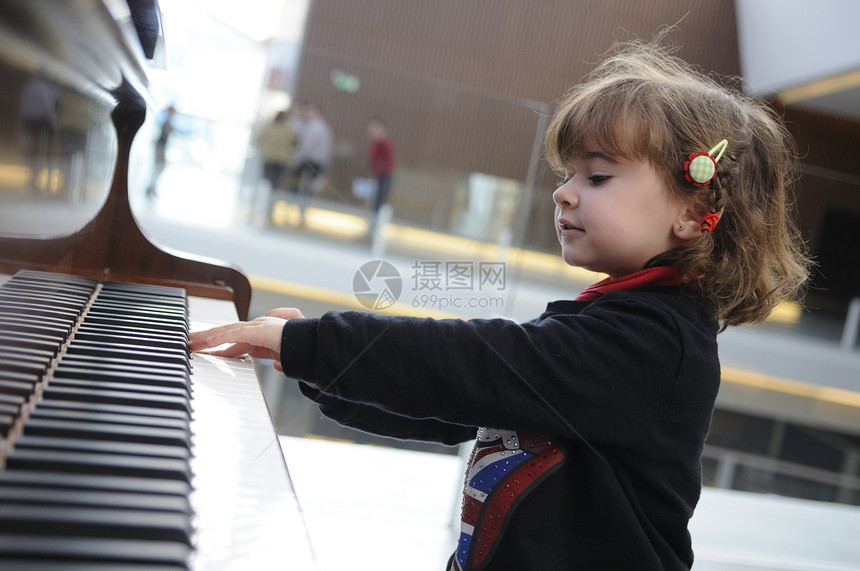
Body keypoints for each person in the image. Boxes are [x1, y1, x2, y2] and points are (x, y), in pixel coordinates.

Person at [189, 41, 810, 570]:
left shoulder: (654, 344)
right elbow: (459, 406)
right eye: (567, 175)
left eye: (596, 177)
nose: (564, 193)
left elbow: (478, 364)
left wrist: (319, 345)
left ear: (692, 213)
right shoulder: (611, 318)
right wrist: (318, 366)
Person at [289, 101, 332, 224]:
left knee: (304, 189)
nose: (308, 113)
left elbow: (306, 147)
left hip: (310, 163)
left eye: (311, 111)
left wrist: (296, 160)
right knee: (304, 190)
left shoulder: (317, 128)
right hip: (312, 163)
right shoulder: (315, 127)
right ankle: (298, 214)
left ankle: (299, 215)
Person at [365, 117, 395, 234]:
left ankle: (375, 229)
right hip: (377, 176)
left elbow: (385, 162)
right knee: (373, 203)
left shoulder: (384, 143)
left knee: (378, 203)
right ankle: (371, 227)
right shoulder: (375, 143)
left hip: (383, 176)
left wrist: (376, 173)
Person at [257, 109, 297, 191]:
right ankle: (272, 196)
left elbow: (259, 139)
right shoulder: (288, 129)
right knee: (276, 180)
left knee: (266, 179)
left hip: (268, 156)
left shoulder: (268, 127)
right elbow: (293, 142)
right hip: (281, 158)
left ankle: (264, 196)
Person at [146, 105, 177, 198]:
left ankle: (152, 187)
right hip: (160, 147)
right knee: (158, 167)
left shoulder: (168, 123)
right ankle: (151, 188)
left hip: (161, 147)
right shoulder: (166, 122)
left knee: (159, 167)